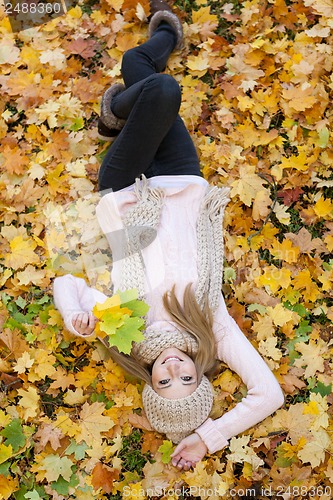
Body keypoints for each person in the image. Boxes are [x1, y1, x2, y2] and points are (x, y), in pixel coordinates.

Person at [53, 0, 284, 472]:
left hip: (124, 190)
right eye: (187, 380)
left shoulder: (124, 328)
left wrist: (75, 312)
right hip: (183, 182)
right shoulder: (211, 328)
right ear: (201, 374)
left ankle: (123, 105)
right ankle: (154, 56)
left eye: (164, 383)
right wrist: (207, 437)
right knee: (144, 73)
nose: (175, 371)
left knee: (158, 88)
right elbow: (268, 394)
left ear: (149, 380)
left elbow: (67, 284)